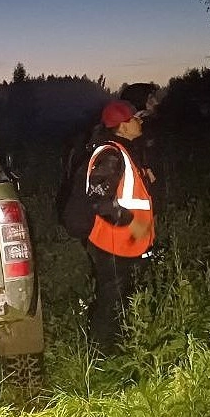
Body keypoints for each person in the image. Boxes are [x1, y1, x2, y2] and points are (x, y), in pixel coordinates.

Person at [83, 99, 155, 354]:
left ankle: (116, 349)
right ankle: (101, 357)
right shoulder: (111, 154)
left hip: (124, 243)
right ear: (122, 127)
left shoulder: (123, 151)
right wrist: (132, 223)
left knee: (120, 299)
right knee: (111, 302)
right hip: (112, 243)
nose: (140, 121)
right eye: (135, 118)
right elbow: (99, 201)